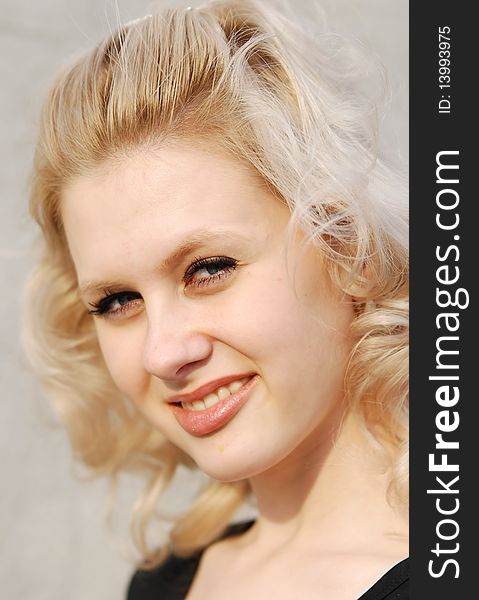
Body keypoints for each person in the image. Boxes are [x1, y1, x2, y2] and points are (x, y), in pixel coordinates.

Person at [24, 0, 408, 598]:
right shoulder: (163, 585)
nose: (162, 352)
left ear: (347, 243)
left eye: (207, 269)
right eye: (118, 301)